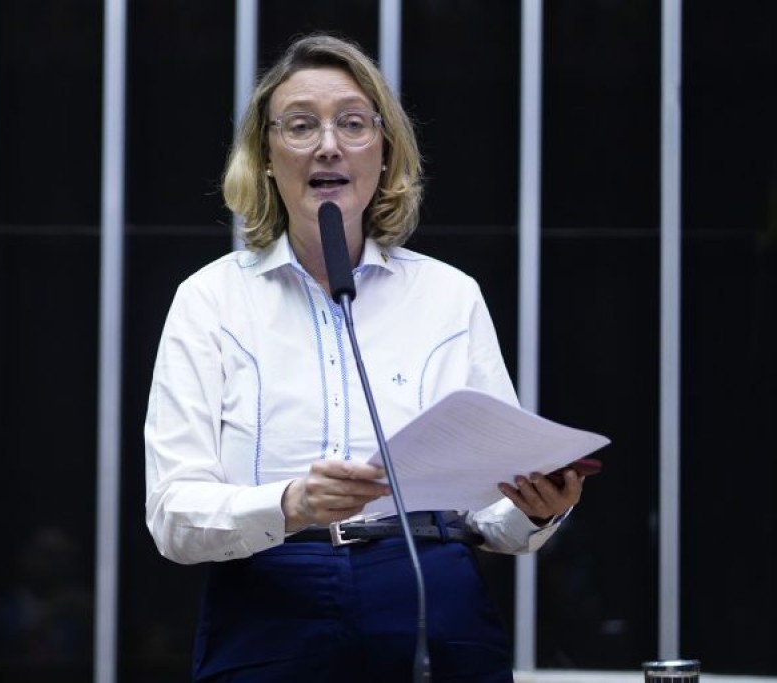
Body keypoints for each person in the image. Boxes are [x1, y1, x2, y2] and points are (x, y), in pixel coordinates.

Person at [144, 33, 584, 682]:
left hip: (427, 581)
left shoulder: (449, 296)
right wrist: (292, 502)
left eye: (353, 123)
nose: (328, 144)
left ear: (384, 151)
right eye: (300, 126)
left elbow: (491, 516)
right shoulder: (209, 300)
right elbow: (173, 516)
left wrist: (536, 507)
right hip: (272, 590)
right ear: (266, 158)